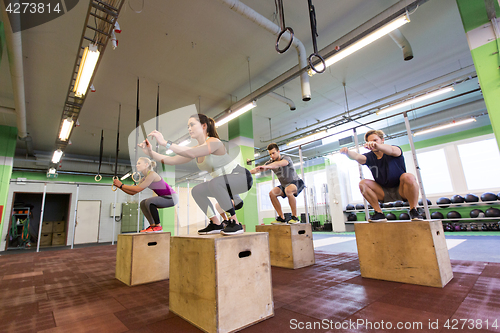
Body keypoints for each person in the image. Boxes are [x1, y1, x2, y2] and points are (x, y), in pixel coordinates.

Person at [142, 114, 253, 235]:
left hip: (241, 177)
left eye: (192, 125)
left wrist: (164, 143)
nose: (189, 128)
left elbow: (190, 153)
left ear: (204, 126)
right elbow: (171, 160)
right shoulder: (197, 149)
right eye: (188, 126)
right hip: (222, 184)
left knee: (215, 183)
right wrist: (150, 153)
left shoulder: (214, 142)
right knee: (197, 190)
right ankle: (216, 223)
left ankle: (235, 223)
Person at [340, 129, 423, 222]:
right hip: (383, 192)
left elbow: (391, 150)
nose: (372, 143)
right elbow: (358, 157)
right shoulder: (369, 156)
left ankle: (414, 210)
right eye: (369, 141)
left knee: (408, 176)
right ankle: (379, 213)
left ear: (382, 140)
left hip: (402, 190)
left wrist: (377, 146)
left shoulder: (395, 149)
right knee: (363, 183)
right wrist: (347, 152)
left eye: (375, 140)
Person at [113, 157, 179, 232]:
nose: (137, 165)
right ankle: (152, 225)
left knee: (149, 201)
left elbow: (138, 189)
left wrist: (121, 185)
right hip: (164, 197)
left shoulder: (152, 174)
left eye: (139, 163)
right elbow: (133, 192)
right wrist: (120, 187)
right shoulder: (144, 178)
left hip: (172, 198)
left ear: (146, 165)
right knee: (143, 203)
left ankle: (158, 226)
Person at [251, 143, 305, 224]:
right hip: (284, 185)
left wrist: (266, 166)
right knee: (272, 193)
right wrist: (247, 173)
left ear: (278, 151)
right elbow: (258, 170)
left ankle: (295, 217)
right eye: (270, 154)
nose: (272, 156)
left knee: (288, 190)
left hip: (296, 183)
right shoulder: (270, 162)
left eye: (273, 153)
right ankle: (281, 217)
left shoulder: (286, 158)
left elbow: (279, 164)